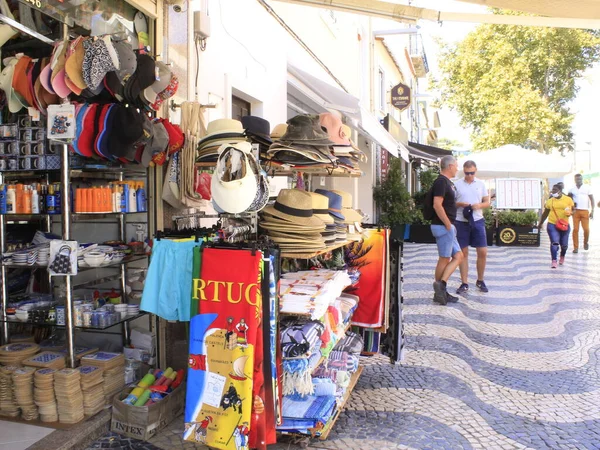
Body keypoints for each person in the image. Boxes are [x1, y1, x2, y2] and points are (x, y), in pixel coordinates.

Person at [430, 155, 464, 305]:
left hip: (448, 226)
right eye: (456, 165)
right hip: (443, 226)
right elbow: (437, 205)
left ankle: (441, 286)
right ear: (450, 166)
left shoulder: (447, 183)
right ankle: (439, 292)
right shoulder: (441, 182)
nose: (457, 168)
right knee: (444, 258)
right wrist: (448, 224)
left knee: (459, 256)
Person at [454, 161, 490, 294]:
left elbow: (487, 202)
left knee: (483, 251)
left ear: (476, 171)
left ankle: (480, 280)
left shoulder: (481, 184)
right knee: (463, 253)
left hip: (477, 220)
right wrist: (460, 204)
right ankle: (464, 282)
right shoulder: (457, 184)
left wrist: (479, 205)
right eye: (467, 173)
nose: (469, 176)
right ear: (463, 171)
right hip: (461, 221)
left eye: (472, 173)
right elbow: (451, 203)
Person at [539, 184, 574, 268]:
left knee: (564, 245)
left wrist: (570, 213)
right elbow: (545, 213)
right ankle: (554, 260)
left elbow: (573, 210)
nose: (553, 192)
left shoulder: (568, 199)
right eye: (553, 190)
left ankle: (562, 256)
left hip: (564, 225)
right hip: (552, 225)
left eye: (555, 190)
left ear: (560, 191)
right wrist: (540, 223)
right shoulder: (550, 201)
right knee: (554, 243)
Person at [568, 174, 594, 253]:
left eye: (579, 179)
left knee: (586, 229)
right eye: (576, 179)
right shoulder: (572, 189)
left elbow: (592, 199)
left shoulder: (587, 188)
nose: (578, 180)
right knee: (575, 229)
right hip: (576, 212)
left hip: (585, 211)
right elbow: (569, 200)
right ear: (574, 180)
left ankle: (585, 242)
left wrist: (592, 210)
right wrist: (571, 209)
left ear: (582, 179)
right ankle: (576, 247)